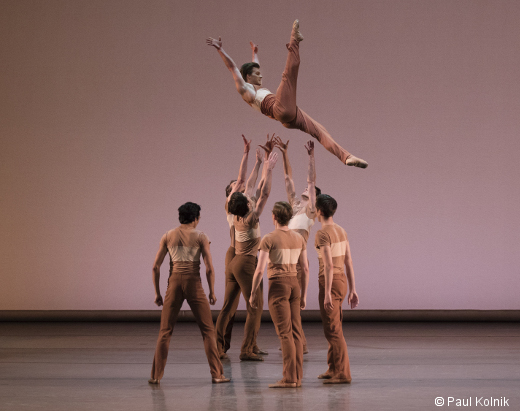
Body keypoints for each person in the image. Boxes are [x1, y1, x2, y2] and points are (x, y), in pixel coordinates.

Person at [206, 20, 368, 168]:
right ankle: (294, 39)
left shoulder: (256, 87)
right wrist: (220, 50)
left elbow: (255, 65)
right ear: (247, 77)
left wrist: (254, 52)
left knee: (320, 131)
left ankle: (346, 157)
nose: (261, 75)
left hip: (287, 117)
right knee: (287, 77)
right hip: (280, 109)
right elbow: (233, 68)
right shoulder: (246, 90)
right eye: (257, 73)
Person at [149, 202, 230, 384]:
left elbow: (155, 266)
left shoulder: (168, 236)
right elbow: (209, 268)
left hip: (174, 283)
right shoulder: (200, 236)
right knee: (208, 331)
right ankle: (217, 375)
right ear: (195, 218)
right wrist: (212, 292)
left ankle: (155, 376)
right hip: (194, 283)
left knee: (165, 331)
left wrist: (157, 293)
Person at [217, 150, 279, 361]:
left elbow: (250, 185)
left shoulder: (232, 211)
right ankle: (246, 349)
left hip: (236, 260)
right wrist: (267, 169)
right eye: (239, 191)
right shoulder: (250, 218)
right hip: (244, 261)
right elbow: (262, 193)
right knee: (254, 306)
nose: (244, 192)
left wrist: (258, 161)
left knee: (229, 306)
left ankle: (237, 345)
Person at [250, 201, 309, 388]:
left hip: (278, 285)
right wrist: (304, 294)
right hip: (294, 285)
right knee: (296, 332)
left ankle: (289, 378)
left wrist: (253, 293)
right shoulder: (299, 238)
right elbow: (305, 268)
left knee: (285, 334)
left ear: (274, 217)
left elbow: (259, 270)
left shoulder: (269, 238)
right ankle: (297, 377)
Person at [274, 137, 319, 354]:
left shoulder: (311, 210)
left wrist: (311, 156)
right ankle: (298, 344)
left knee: (295, 307)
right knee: (287, 308)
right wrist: (284, 153)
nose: (303, 192)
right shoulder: (293, 207)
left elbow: (310, 182)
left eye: (307, 194)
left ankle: (298, 346)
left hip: (298, 262)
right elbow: (287, 178)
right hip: (285, 260)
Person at [314, 194, 359, 384]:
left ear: (319, 211)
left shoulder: (322, 234)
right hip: (341, 282)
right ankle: (333, 368)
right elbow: (348, 260)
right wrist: (353, 289)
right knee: (334, 326)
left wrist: (326, 295)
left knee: (332, 330)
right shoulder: (341, 231)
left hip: (330, 282)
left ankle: (342, 373)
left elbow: (329, 265)